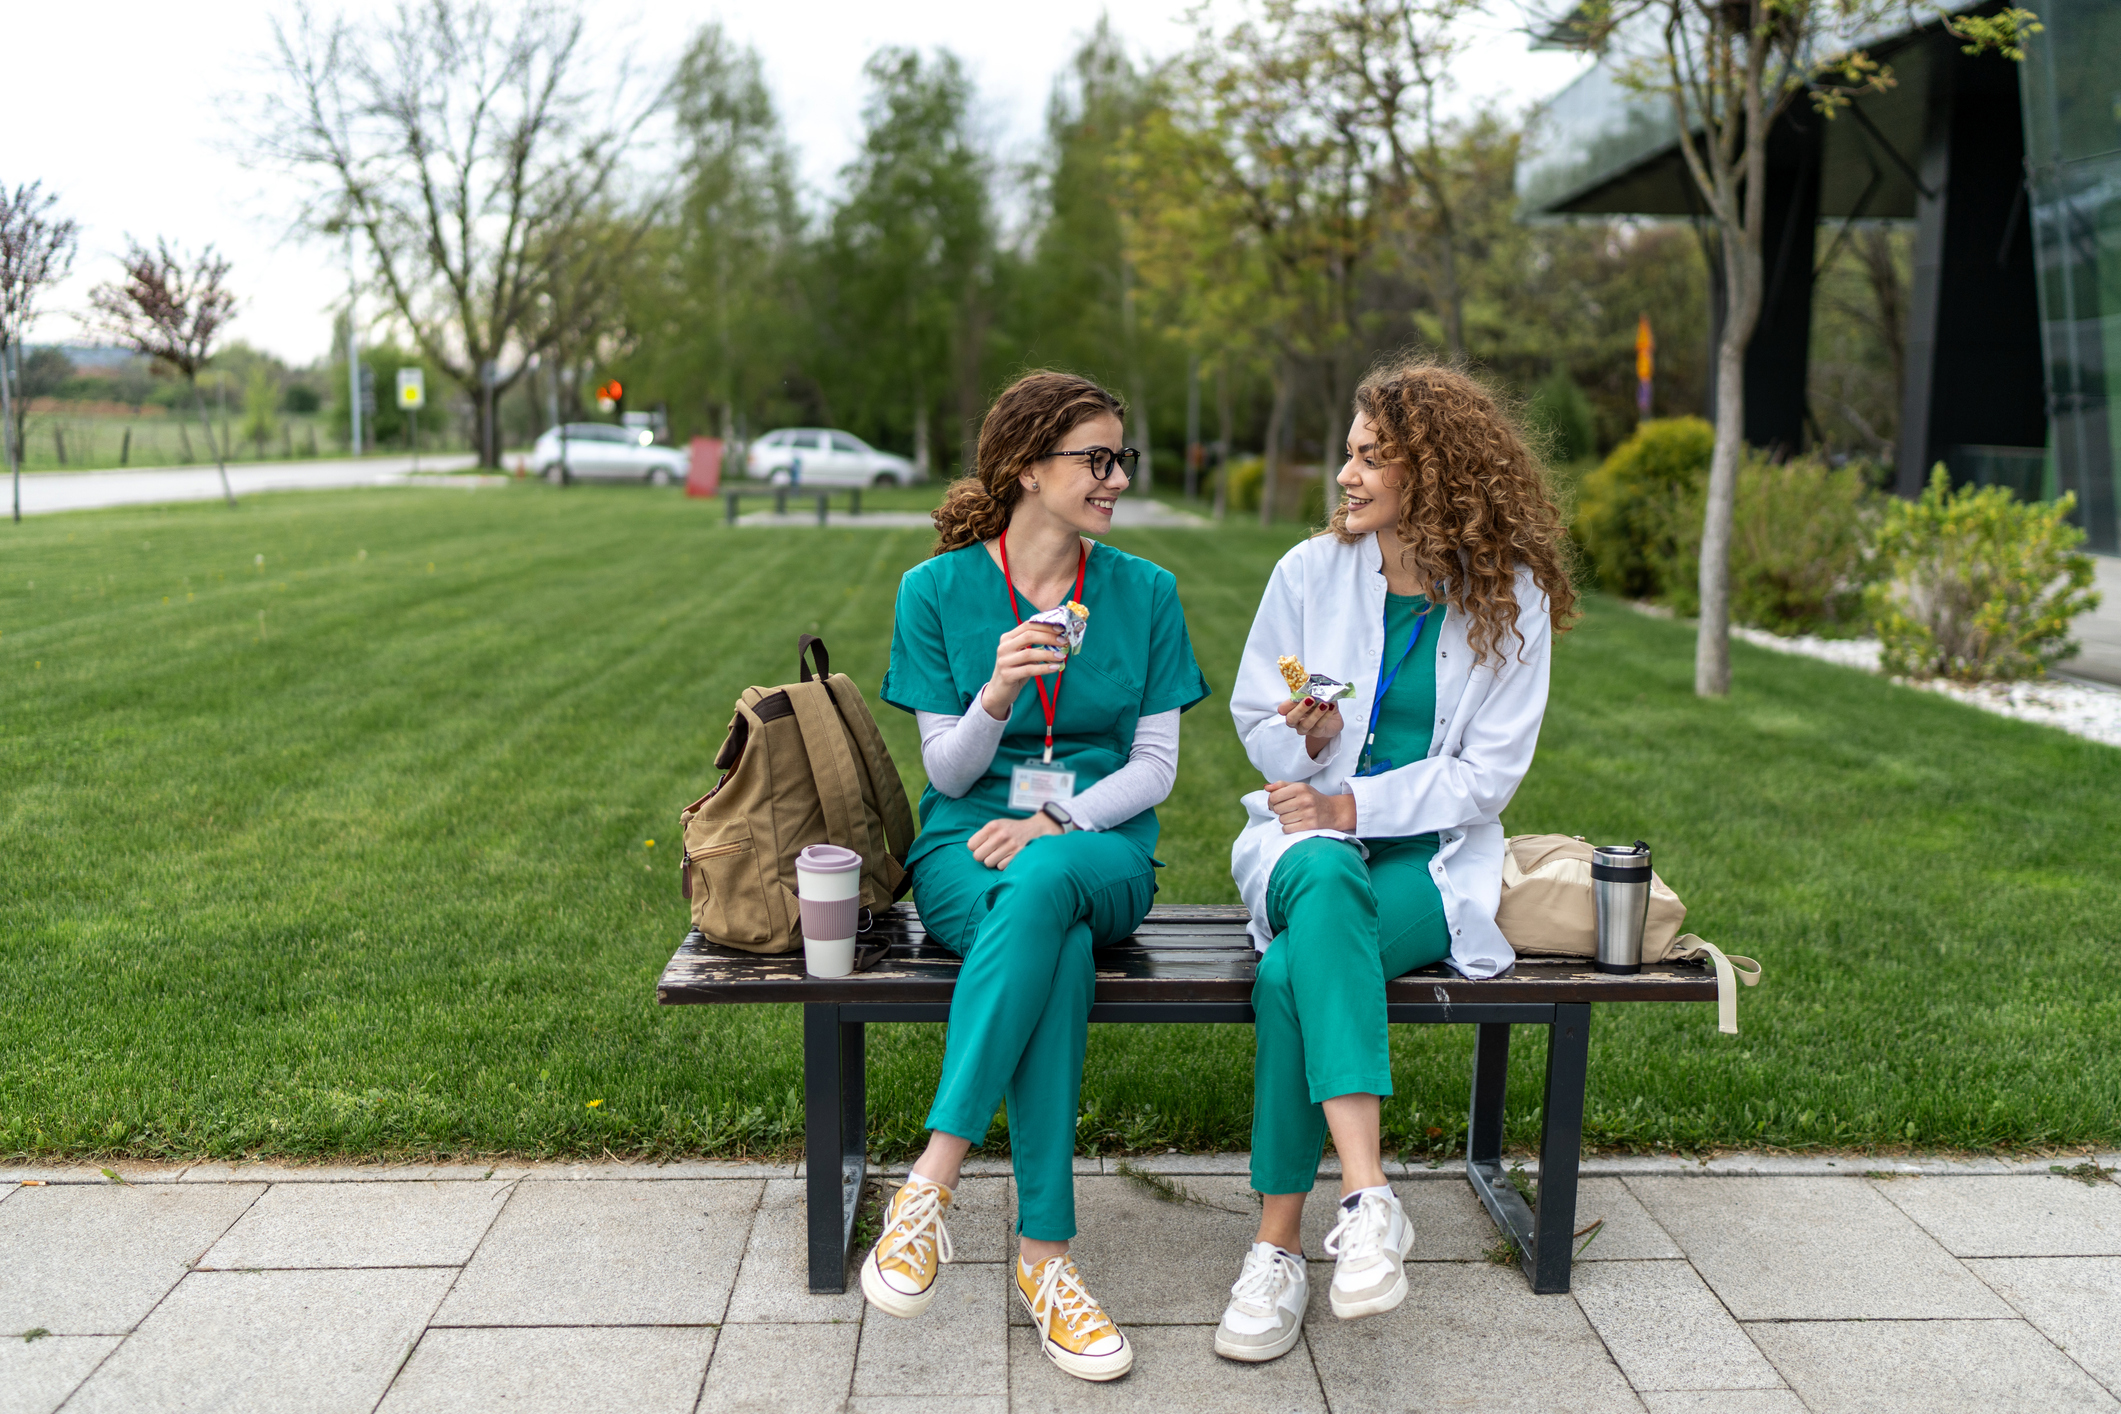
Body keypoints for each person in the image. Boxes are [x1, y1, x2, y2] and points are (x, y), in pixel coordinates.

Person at [1214, 359, 1577, 1363]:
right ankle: (1370, 1198)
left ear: (1438, 469)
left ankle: (1278, 1249)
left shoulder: (1511, 598)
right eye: (1349, 451)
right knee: (1325, 873)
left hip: (1432, 866)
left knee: (1294, 970)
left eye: (1372, 456)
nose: (1346, 472)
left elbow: (1484, 779)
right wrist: (1311, 739)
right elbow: (1262, 721)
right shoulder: (1309, 573)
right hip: (1300, 847)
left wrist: (1352, 798)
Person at [865, 370, 1211, 1383]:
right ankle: (1046, 1260)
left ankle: (931, 1180)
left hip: (1101, 841)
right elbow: (947, 773)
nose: (1114, 478)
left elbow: (1156, 767)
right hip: (966, 846)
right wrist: (997, 689)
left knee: (1052, 879)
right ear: (1027, 468)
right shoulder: (935, 591)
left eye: (1120, 459)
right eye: (1093, 459)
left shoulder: (1146, 592)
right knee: (1046, 930)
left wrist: (1057, 816)